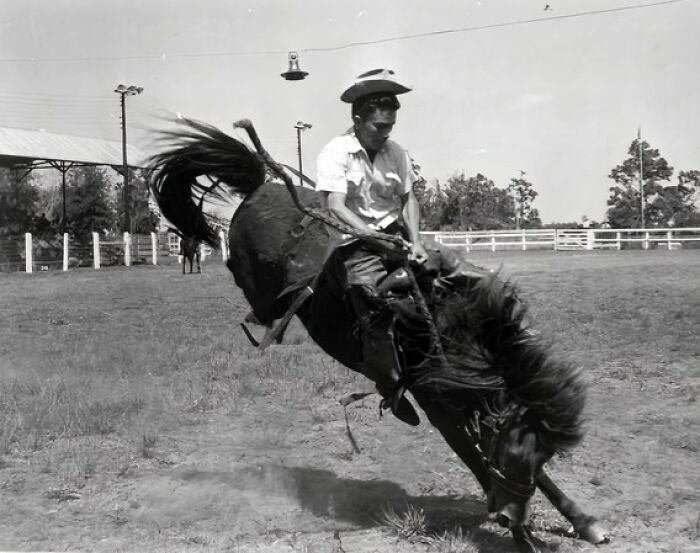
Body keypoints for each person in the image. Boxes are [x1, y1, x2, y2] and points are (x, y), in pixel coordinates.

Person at [316, 68, 428, 425]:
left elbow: (409, 199)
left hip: (395, 235)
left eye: (390, 127)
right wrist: (375, 238)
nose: (386, 134)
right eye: (380, 127)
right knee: (374, 302)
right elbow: (335, 206)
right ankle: (390, 385)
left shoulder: (396, 153)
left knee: (448, 276)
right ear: (359, 119)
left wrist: (417, 241)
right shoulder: (336, 152)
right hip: (356, 244)